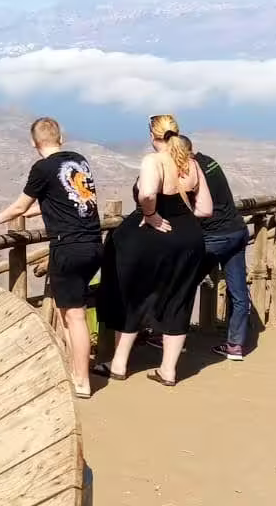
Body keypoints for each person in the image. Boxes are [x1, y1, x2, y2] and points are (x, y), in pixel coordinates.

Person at [0, 116, 101, 398]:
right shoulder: (79, 161)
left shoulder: (42, 168)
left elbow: (20, 205)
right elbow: (69, 198)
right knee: (66, 311)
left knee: (75, 315)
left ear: (34, 143)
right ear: (61, 138)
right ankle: (74, 370)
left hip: (68, 247)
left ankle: (81, 380)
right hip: (92, 244)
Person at [94, 114, 212, 387]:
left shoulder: (153, 161)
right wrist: (182, 220)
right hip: (189, 240)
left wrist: (152, 216)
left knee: (132, 296)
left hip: (150, 239)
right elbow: (205, 208)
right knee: (179, 299)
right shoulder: (192, 164)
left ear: (152, 135)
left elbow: (148, 193)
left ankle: (119, 363)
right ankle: (168, 371)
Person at [177, 135, 252, 360]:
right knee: (238, 292)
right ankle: (235, 346)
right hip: (237, 232)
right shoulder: (209, 161)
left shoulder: (191, 170)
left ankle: (170, 335)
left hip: (215, 237)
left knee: (182, 282)